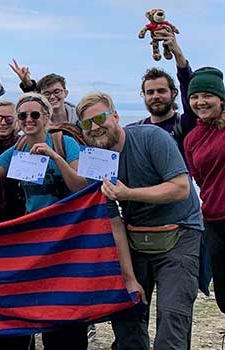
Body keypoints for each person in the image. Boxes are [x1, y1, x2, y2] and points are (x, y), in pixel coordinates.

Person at [76, 91, 201, 350]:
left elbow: (181, 188)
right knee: (127, 317)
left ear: (116, 116)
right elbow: (113, 221)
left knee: (172, 318)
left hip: (180, 233)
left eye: (100, 118)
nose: (95, 127)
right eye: (87, 123)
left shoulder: (152, 138)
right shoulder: (95, 161)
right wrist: (128, 277)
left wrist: (129, 194)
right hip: (136, 238)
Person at [0, 92, 89, 349]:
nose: (28, 119)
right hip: (34, 235)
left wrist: (54, 157)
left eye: (34, 114)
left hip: (66, 236)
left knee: (62, 306)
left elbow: (80, 186)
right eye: (23, 115)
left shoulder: (63, 142)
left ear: (46, 117)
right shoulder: (19, 149)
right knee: (32, 300)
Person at [182, 67, 225, 315]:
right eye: (195, 97)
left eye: (207, 95)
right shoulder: (192, 139)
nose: (200, 102)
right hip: (212, 221)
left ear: (220, 98)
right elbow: (199, 178)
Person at [130, 29, 196, 157]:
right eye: (150, 92)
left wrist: (177, 54)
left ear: (173, 93)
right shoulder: (135, 130)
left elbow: (188, 87)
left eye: (161, 91)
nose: (155, 96)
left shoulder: (184, 124)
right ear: (144, 95)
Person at [0, 101, 26, 222]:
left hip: (19, 212)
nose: (2, 123)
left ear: (17, 120)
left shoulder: (23, 145)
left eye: (8, 119)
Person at [9, 61, 79, 125]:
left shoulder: (79, 116)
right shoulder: (37, 119)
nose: (52, 97)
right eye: (47, 94)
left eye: (57, 92)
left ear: (65, 93)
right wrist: (27, 84)